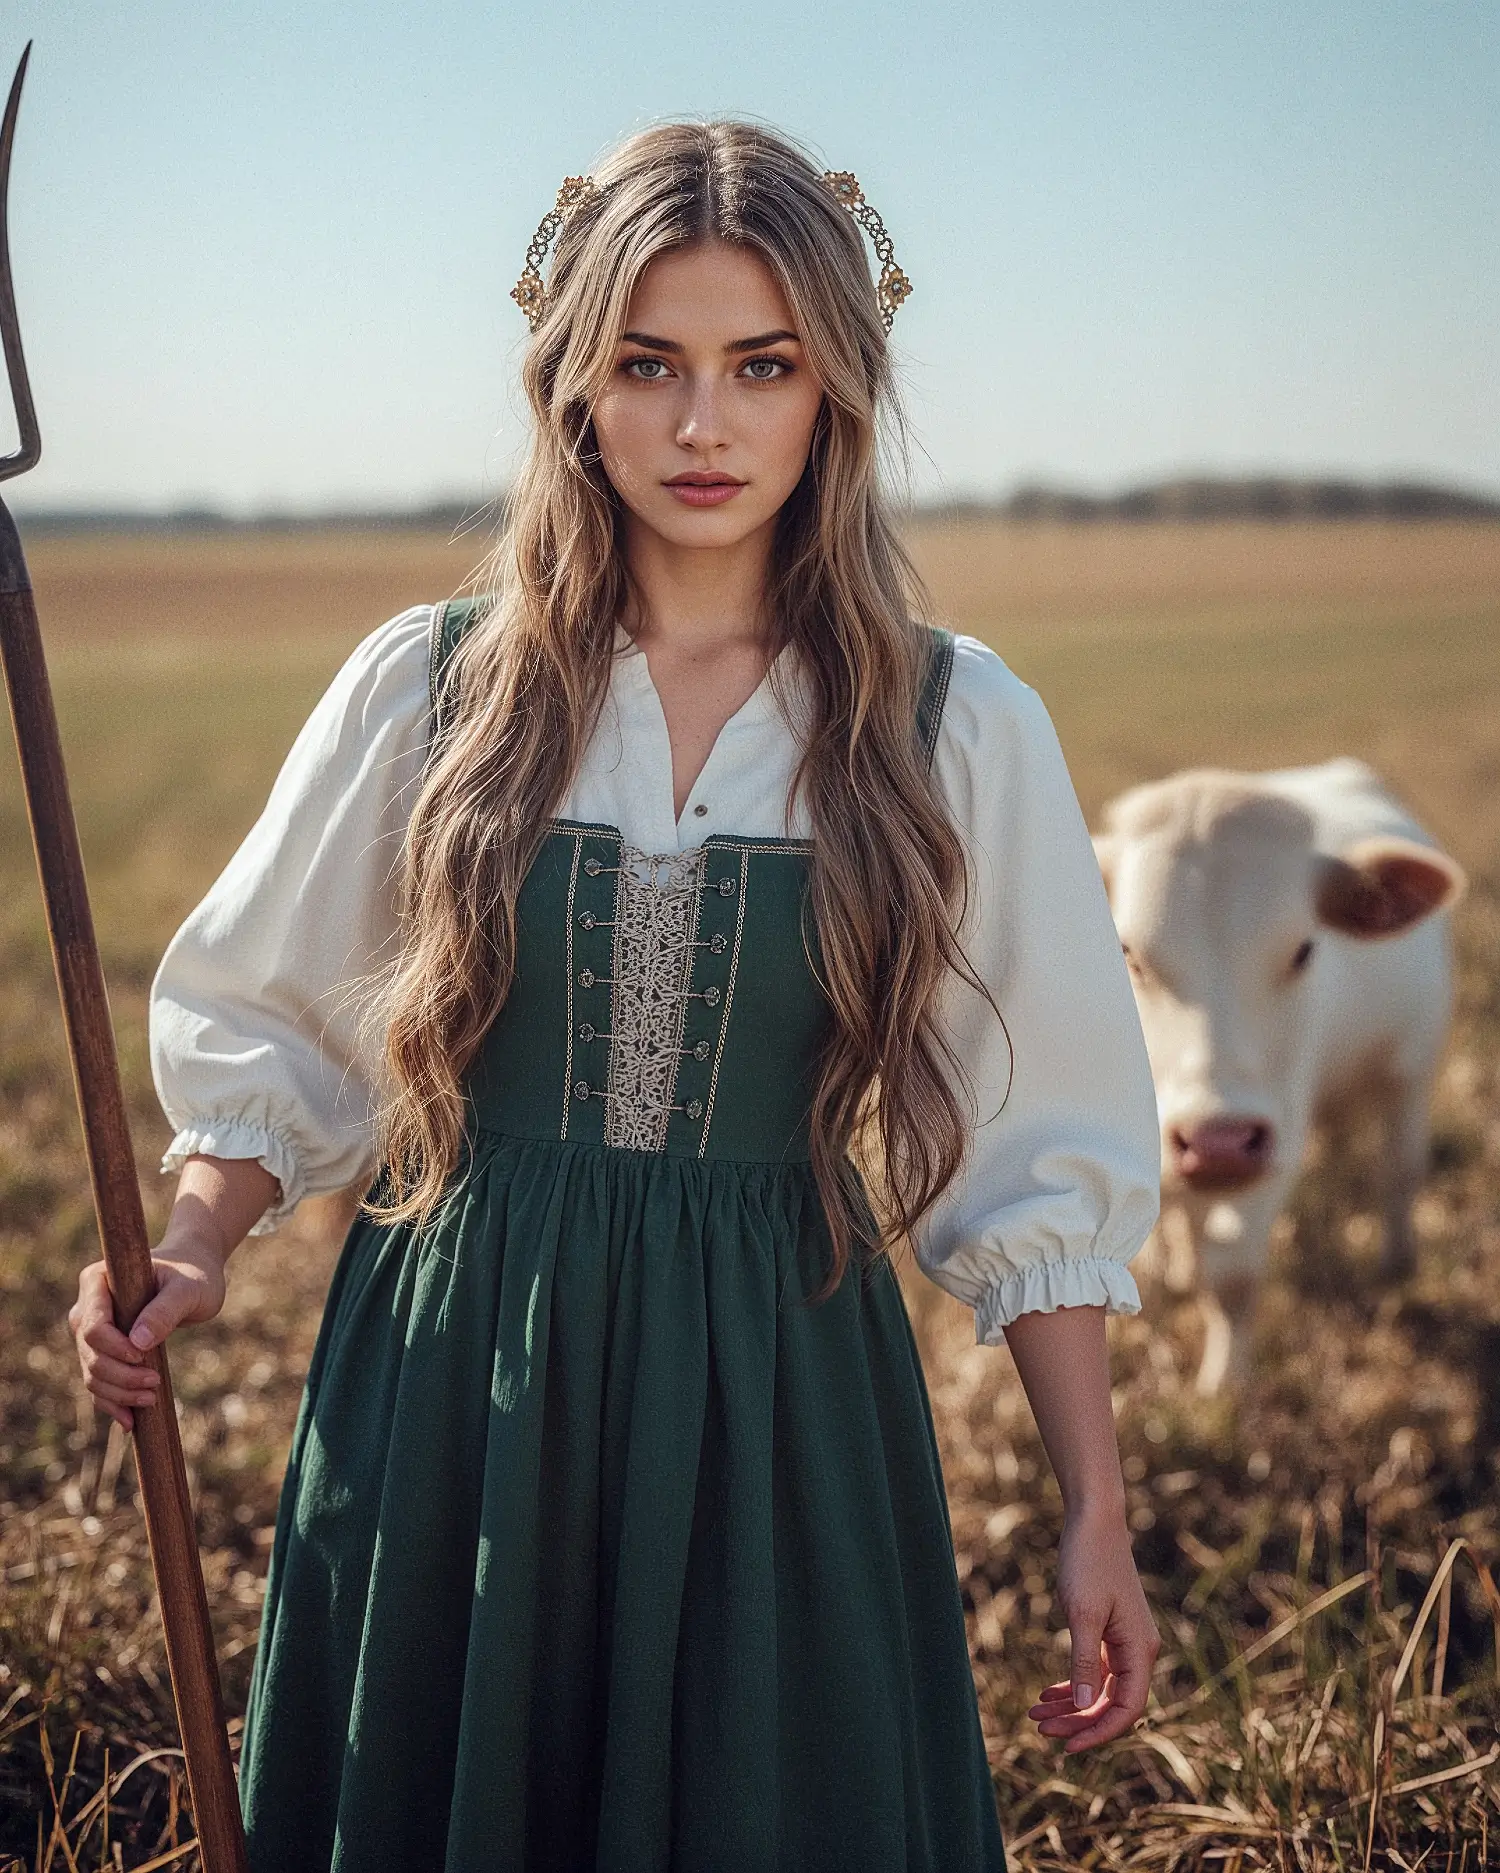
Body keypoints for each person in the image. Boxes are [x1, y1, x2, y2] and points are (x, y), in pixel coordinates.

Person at [68, 121, 1163, 1871]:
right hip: (456, 1389)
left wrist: (1095, 1509)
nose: (704, 425)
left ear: (836, 395)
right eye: (648, 365)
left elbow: (1040, 1145)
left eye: (762, 367)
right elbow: (275, 1020)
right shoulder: (434, 690)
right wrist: (196, 1244)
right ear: (575, 387)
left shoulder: (953, 728)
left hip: (779, 1400)